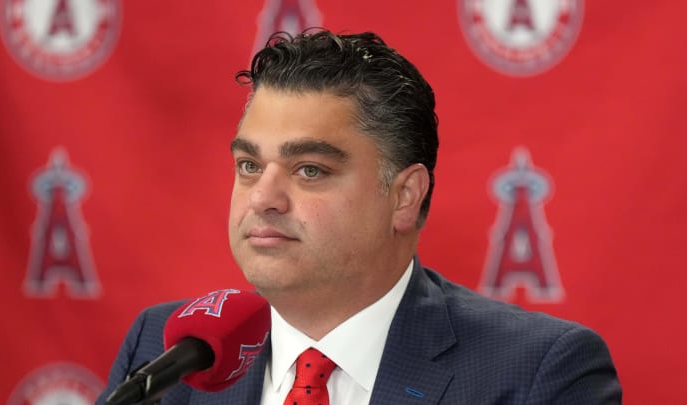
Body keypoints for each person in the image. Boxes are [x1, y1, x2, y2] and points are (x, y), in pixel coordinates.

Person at [97, 28, 622, 404]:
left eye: (309, 170)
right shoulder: (169, 347)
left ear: (404, 196)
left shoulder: (536, 373)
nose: (263, 198)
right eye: (250, 165)